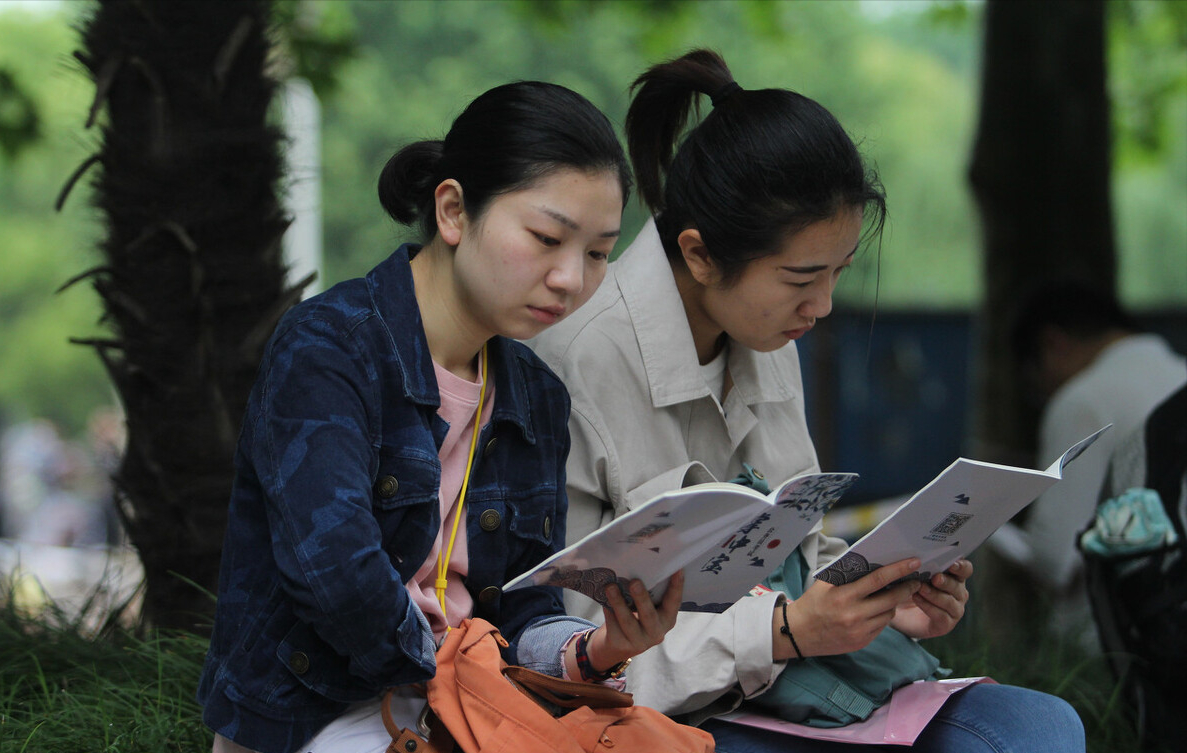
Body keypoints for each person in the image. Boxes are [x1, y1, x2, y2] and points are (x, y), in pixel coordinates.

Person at [530, 49, 1085, 752]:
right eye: (800, 277)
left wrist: (884, 603)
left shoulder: (768, 340)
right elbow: (577, 648)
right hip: (665, 711)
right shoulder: (577, 357)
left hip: (804, 679)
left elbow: (802, 552)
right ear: (700, 255)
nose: (820, 306)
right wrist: (786, 629)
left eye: (838, 273)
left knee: (1038, 728)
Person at [197, 80, 684, 753]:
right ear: (453, 210)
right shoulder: (329, 348)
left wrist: (595, 646)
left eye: (598, 253)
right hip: (317, 715)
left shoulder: (537, 396)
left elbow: (522, 608)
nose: (571, 278)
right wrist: (459, 670)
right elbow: (336, 577)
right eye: (547, 237)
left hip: (468, 709)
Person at [989, 280, 1186, 639]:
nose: (1046, 392)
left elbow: (1054, 561)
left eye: (1037, 383)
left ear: (1053, 344)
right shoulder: (1180, 375)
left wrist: (991, 531)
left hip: (1128, 650)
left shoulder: (1083, 400)